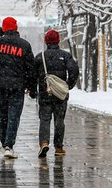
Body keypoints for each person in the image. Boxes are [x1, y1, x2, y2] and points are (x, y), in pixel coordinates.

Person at [0, 17, 35, 159]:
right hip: (17, 86)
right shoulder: (24, 45)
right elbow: (30, 68)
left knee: (2, 115)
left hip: (0, 85)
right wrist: (32, 87)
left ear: (4, 28)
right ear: (16, 28)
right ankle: (9, 146)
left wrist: (0, 30)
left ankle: (3, 142)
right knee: (14, 116)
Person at [33, 30, 79, 158]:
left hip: (45, 94)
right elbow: (74, 71)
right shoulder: (65, 56)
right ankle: (58, 147)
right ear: (58, 41)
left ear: (46, 41)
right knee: (59, 120)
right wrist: (67, 85)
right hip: (60, 95)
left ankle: (44, 143)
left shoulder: (40, 57)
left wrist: (33, 90)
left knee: (44, 120)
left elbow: (31, 75)